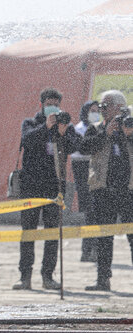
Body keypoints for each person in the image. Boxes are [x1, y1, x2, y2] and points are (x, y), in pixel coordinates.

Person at [12, 88, 77, 290]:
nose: (54, 107)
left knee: (51, 233)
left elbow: (74, 147)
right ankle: (25, 276)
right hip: (31, 186)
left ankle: (48, 276)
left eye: (57, 103)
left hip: (54, 186)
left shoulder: (64, 124)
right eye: (50, 103)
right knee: (28, 232)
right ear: (41, 104)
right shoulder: (31, 123)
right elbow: (26, 141)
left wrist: (62, 133)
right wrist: (46, 127)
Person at [79, 90, 133, 292]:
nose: (101, 109)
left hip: (128, 191)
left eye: (106, 105)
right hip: (103, 191)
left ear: (120, 108)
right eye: (100, 106)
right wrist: (106, 134)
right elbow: (84, 148)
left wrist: (129, 135)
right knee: (103, 238)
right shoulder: (95, 129)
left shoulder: (131, 127)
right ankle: (103, 279)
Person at [73, 100, 99, 262]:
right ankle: (88, 250)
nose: (95, 113)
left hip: (97, 174)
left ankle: (91, 250)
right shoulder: (78, 129)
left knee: (95, 215)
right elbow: (77, 153)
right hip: (83, 175)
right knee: (91, 214)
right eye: (92, 110)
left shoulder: (100, 129)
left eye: (97, 110)